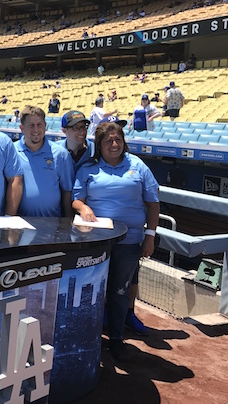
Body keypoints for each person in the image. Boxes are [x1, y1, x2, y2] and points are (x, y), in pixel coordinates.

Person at [72, 121, 159, 361]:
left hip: (130, 242)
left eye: (118, 140)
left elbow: (153, 203)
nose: (114, 144)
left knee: (120, 290)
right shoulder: (89, 169)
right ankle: (91, 337)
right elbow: (76, 199)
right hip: (96, 241)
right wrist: (84, 208)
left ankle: (117, 339)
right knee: (92, 290)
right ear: (99, 144)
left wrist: (149, 237)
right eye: (108, 140)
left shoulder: (138, 166)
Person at [15, 106, 73, 217]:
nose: (36, 129)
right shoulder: (12, 151)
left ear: (45, 126)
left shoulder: (60, 154)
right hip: (21, 221)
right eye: (31, 125)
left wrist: (67, 222)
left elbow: (67, 191)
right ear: (21, 128)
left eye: (39, 125)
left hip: (52, 222)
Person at [58, 110, 94, 175]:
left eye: (83, 127)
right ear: (64, 131)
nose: (82, 131)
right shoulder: (54, 151)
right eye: (76, 128)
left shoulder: (95, 151)